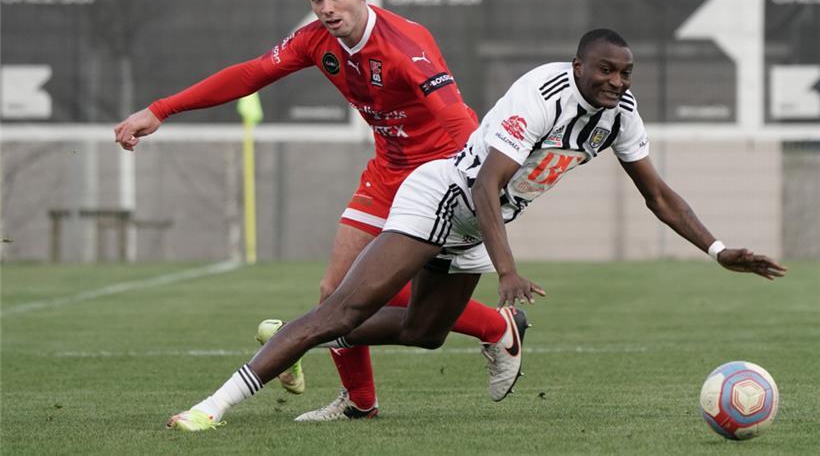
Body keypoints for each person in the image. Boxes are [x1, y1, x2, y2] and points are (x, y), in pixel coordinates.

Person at [164, 27, 786, 431]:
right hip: (443, 198)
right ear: (578, 65)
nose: (616, 83)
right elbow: (486, 184)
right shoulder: (541, 93)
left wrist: (718, 248)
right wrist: (508, 270)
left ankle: (313, 338)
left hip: (475, 228)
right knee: (341, 308)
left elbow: (658, 194)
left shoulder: (619, 115)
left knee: (425, 332)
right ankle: (213, 407)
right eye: (605, 71)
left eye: (625, 74)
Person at [114, 0, 528, 422]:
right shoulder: (315, 40)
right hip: (387, 170)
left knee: (408, 313)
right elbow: (250, 74)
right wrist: (160, 110)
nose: (327, 9)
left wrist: (481, 184)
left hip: (439, 177)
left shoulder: (406, 44)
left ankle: (496, 330)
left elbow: (457, 120)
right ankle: (362, 401)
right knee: (336, 292)